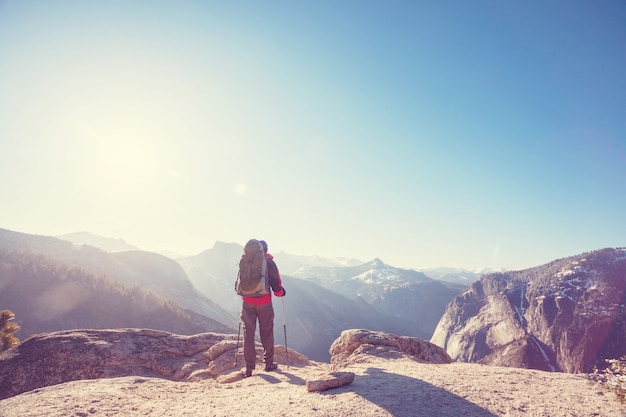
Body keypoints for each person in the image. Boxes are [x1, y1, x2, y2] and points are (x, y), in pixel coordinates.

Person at [239, 239, 286, 377]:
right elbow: (276, 285)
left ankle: (249, 368)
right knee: (266, 331)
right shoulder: (268, 262)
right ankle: (269, 363)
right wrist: (281, 292)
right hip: (264, 302)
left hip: (247, 302)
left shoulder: (245, 260)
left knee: (248, 333)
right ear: (264, 250)